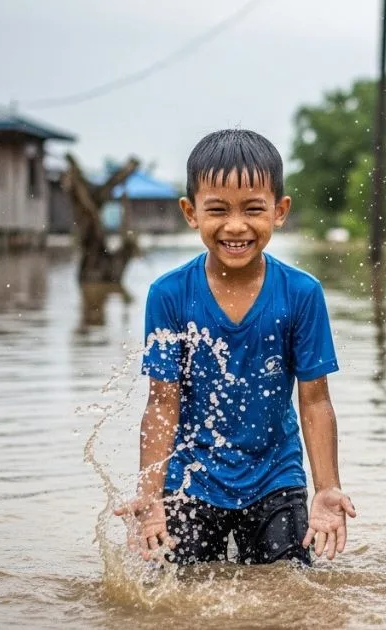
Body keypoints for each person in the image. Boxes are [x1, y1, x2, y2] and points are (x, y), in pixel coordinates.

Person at [115, 129, 356, 567]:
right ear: (191, 213)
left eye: (253, 209)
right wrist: (150, 494)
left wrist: (326, 488)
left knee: (288, 589)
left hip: (275, 476)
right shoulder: (168, 295)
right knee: (182, 593)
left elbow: (316, 400)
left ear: (279, 211)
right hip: (192, 478)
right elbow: (161, 404)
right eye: (218, 210)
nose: (236, 226)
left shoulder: (301, 293)